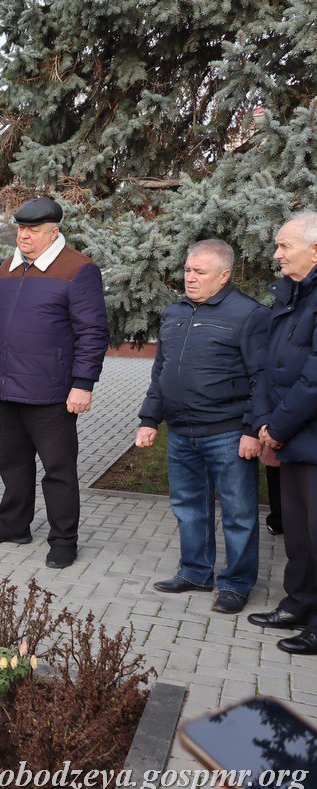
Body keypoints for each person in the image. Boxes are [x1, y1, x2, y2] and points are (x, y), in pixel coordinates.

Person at [135, 240, 269, 614]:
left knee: (239, 512)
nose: (190, 278)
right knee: (188, 506)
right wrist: (149, 419)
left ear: (224, 275)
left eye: (200, 272)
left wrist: (251, 429)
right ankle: (195, 571)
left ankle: (237, 584)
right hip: (180, 431)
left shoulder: (249, 314)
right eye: (188, 270)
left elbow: (262, 377)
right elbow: (161, 371)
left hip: (227, 432)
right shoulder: (175, 312)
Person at [0, 197, 109, 569]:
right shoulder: (6, 269)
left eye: (33, 231)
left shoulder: (77, 269)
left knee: (58, 470)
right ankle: (14, 525)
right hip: (10, 388)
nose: (24, 237)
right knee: (12, 464)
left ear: (54, 232)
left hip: (53, 394)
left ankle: (64, 539)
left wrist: (83, 384)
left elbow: (93, 332)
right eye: (21, 229)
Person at [250, 211, 317, 655]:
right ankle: (298, 605)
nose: (276, 254)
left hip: (307, 436)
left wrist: (278, 425)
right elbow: (269, 364)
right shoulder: (291, 295)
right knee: (297, 531)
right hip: (290, 436)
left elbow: (314, 378)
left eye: (284, 246)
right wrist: (265, 422)